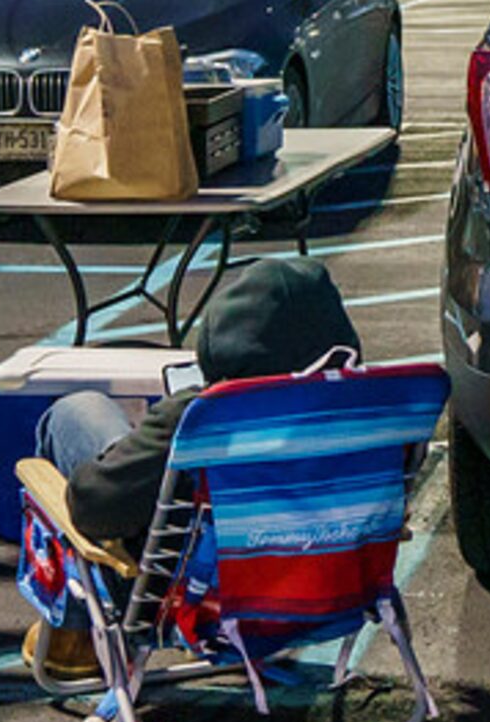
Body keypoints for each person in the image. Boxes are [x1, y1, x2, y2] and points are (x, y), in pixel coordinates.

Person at [25, 257, 361, 681]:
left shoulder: (200, 418)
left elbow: (95, 509)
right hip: (329, 588)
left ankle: (75, 639)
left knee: (76, 412)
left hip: (188, 600)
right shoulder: (373, 415)